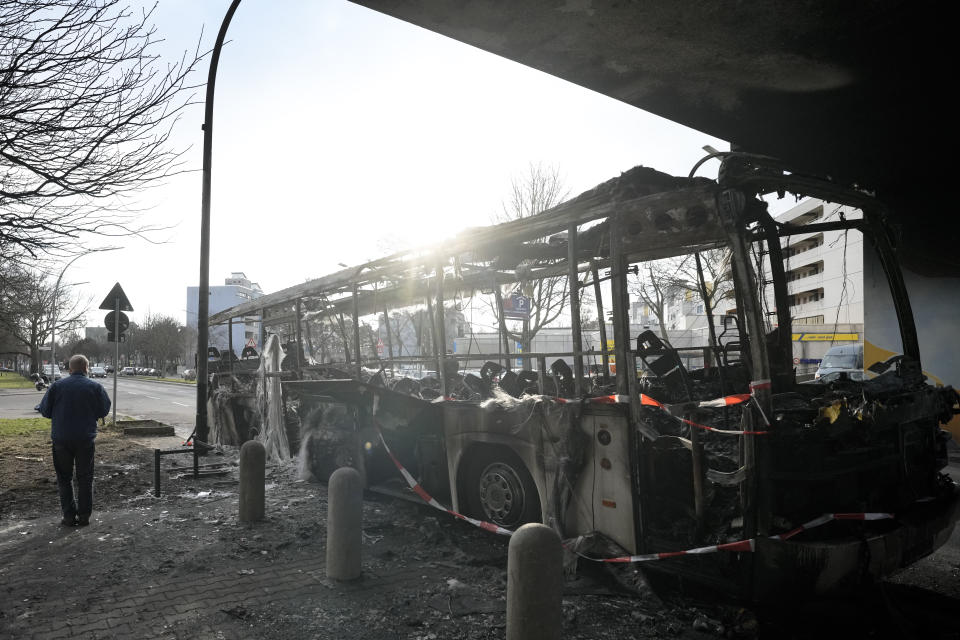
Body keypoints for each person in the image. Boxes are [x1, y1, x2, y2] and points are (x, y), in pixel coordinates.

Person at [38, 354, 111, 527]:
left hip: (61, 439)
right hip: (85, 438)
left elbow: (45, 410)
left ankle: (69, 516)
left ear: (69, 369)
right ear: (87, 368)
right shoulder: (95, 387)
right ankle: (84, 515)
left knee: (64, 477)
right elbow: (104, 409)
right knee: (85, 477)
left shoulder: (56, 387)